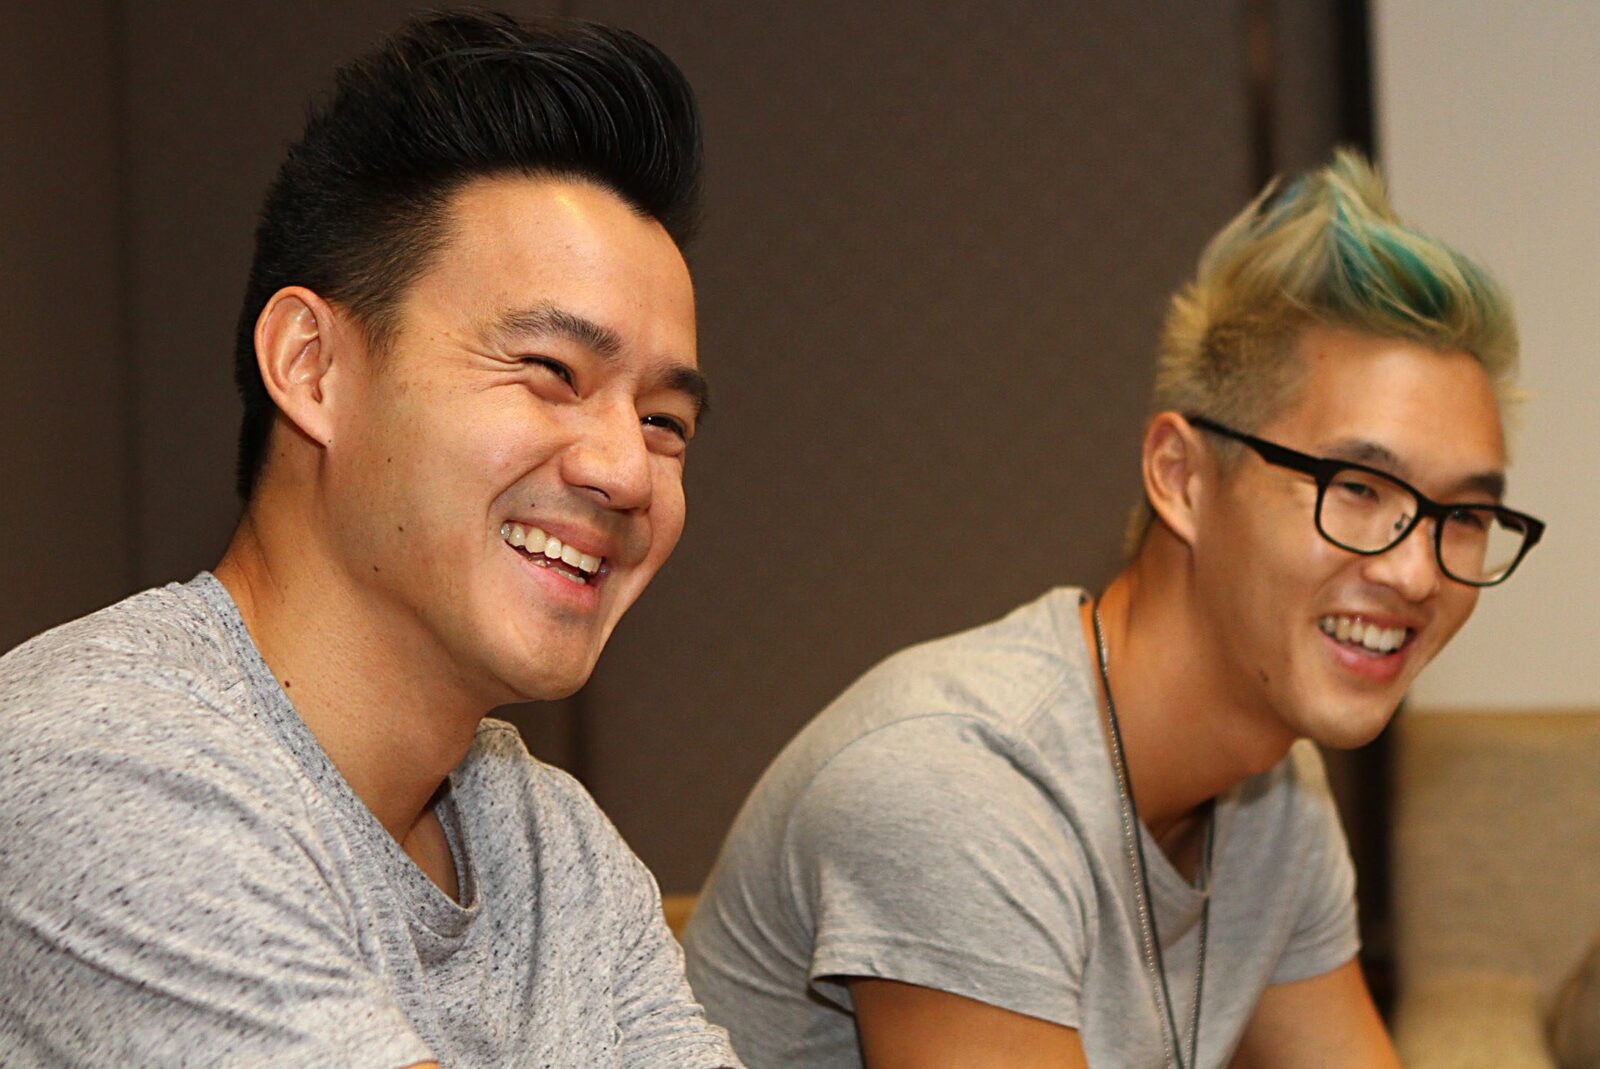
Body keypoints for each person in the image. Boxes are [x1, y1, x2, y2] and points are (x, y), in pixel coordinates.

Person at [681, 151, 1544, 1069]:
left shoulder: (1273, 798)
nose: (1416, 572)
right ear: (1182, 475)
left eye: (1465, 515)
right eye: (1359, 488)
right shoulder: (955, 784)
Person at [0, 11, 740, 1069]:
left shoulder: (551, 838)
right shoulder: (104, 762)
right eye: (550, 371)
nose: (627, 471)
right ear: (313, 367)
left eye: (664, 421)